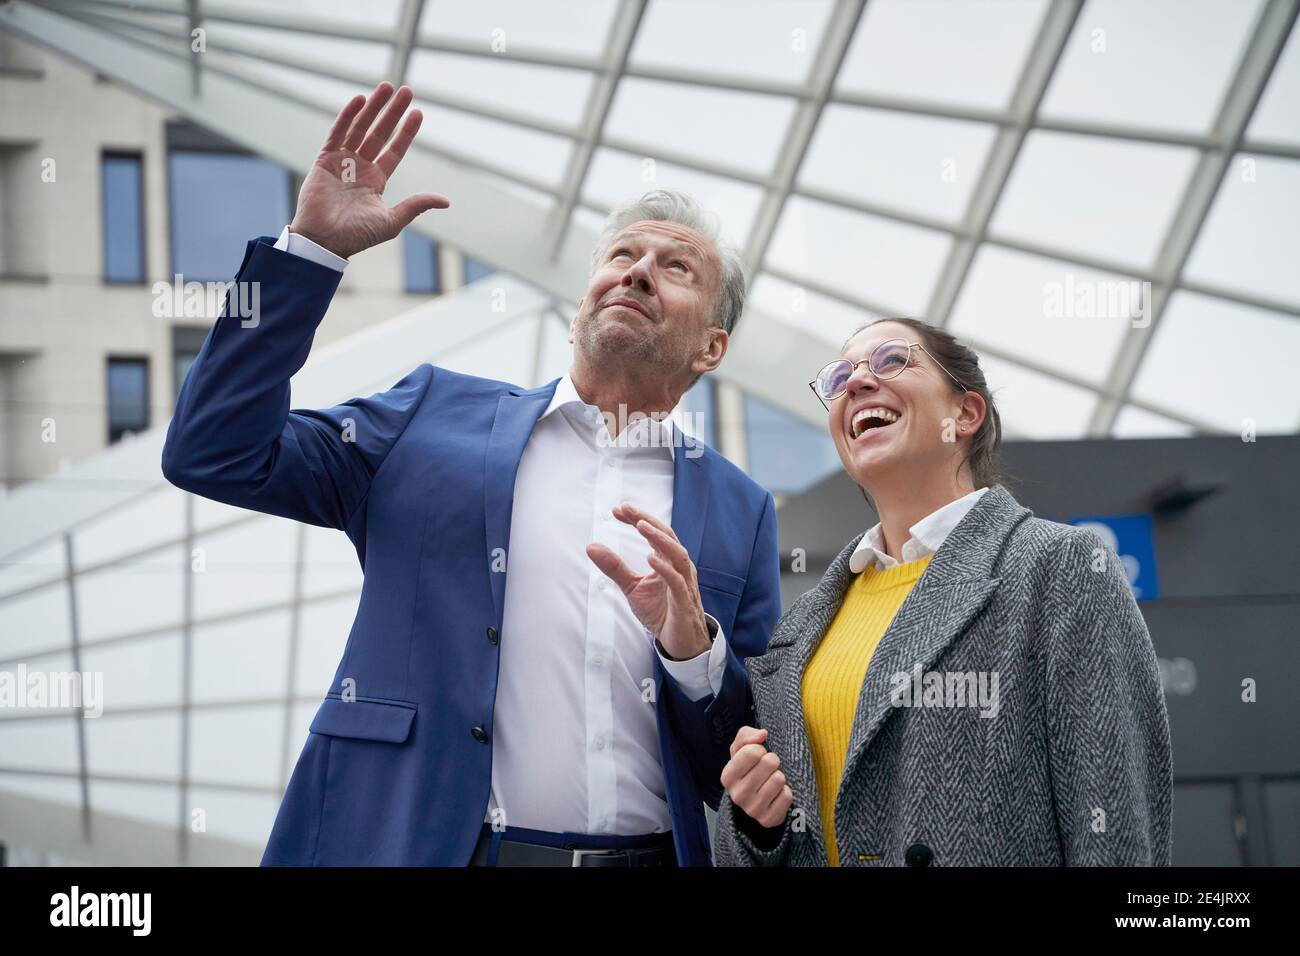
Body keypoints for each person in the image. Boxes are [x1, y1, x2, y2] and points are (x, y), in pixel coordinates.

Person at [161, 82, 780, 866]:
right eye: (622, 256)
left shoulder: (742, 509)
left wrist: (693, 653)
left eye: (675, 267)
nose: (638, 272)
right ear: (580, 308)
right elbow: (210, 450)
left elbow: (748, 759)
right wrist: (309, 254)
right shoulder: (430, 417)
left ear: (712, 349)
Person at [715, 318, 1172, 866]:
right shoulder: (804, 626)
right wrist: (757, 825)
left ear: (966, 414)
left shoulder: (1058, 569)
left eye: (890, 360)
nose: (856, 383)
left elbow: (1114, 833)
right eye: (840, 377)